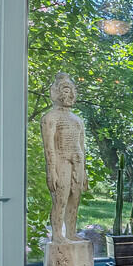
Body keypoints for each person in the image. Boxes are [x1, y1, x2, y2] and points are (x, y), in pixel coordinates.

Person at [41, 73, 88, 245]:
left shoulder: (78, 120)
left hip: (77, 161)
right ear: (56, 92)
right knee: (61, 199)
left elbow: (82, 146)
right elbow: (49, 147)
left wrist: (84, 170)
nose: (71, 95)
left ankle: (71, 232)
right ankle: (57, 234)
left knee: (75, 199)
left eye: (72, 91)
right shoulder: (50, 118)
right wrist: (51, 171)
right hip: (61, 161)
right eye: (66, 90)